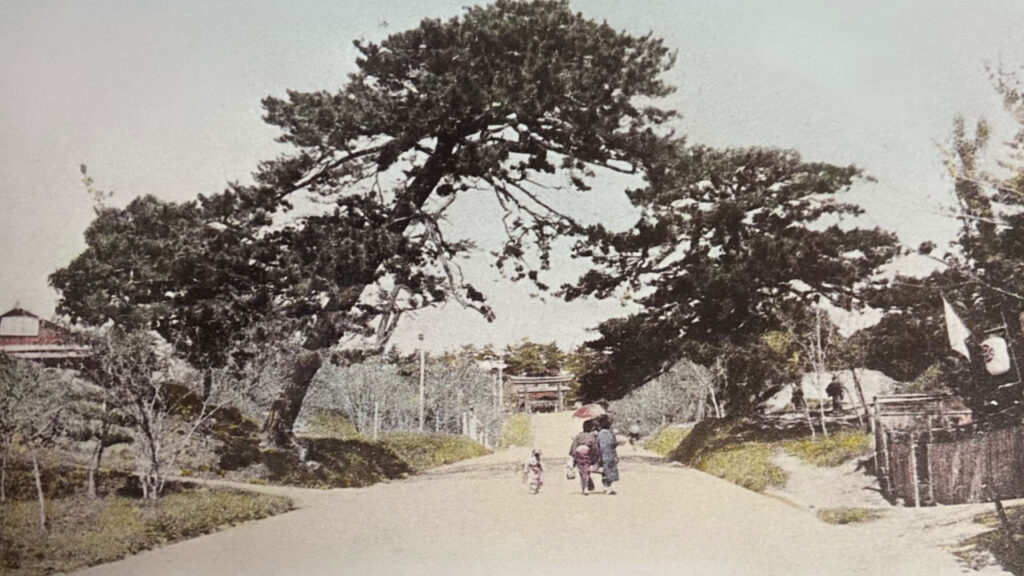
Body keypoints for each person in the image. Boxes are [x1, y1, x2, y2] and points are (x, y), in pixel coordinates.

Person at [569, 420, 601, 495]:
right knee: (586, 470)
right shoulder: (591, 437)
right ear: (592, 428)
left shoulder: (578, 436)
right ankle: (586, 487)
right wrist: (596, 457)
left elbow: (573, 446)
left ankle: (584, 487)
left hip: (579, 454)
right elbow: (594, 447)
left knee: (582, 471)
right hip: (587, 454)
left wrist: (574, 455)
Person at [596, 415, 620, 494]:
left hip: (602, 454)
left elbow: (597, 445)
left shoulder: (599, 434)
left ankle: (606, 487)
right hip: (610, 454)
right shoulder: (611, 433)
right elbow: (614, 444)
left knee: (604, 471)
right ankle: (608, 488)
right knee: (610, 470)